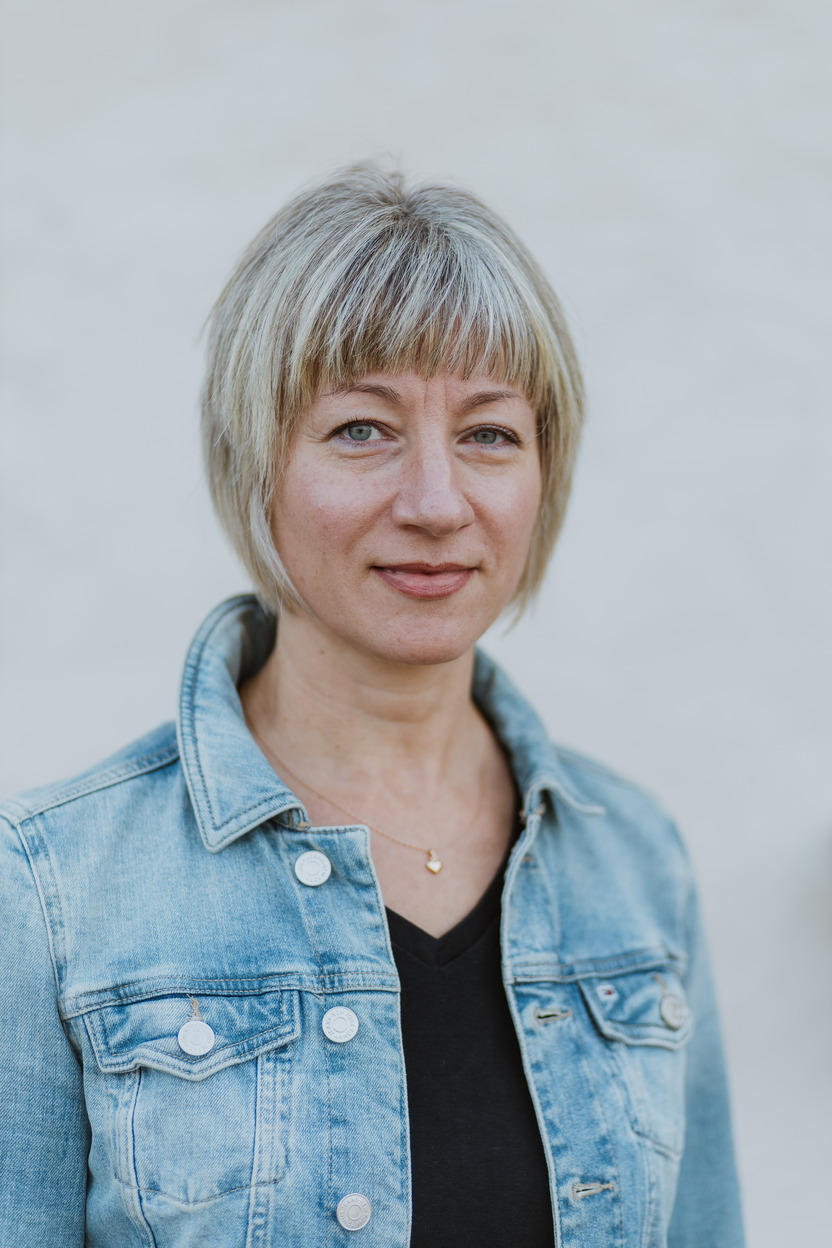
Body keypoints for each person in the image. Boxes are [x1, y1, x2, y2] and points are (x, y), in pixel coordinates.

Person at [0, 164, 744, 1247]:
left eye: (489, 434)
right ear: (255, 463)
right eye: (362, 429)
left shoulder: (632, 864)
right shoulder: (55, 888)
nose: (437, 503)